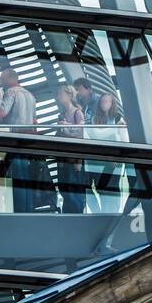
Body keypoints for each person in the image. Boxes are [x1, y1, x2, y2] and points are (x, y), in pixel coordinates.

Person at [0, 67, 41, 212]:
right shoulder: (30, 94)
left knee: (17, 177)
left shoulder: (11, 92)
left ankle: (19, 210)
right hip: (28, 139)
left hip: (14, 139)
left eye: (2, 78)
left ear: (10, 78)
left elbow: (1, 113)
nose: (0, 81)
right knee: (25, 176)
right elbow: (35, 120)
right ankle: (28, 209)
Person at [54, 85, 87, 214]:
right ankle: (68, 215)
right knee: (64, 188)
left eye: (61, 94)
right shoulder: (62, 115)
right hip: (63, 158)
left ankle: (77, 216)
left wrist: (65, 126)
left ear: (69, 95)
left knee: (74, 189)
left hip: (73, 158)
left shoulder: (77, 113)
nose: (58, 97)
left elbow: (81, 134)